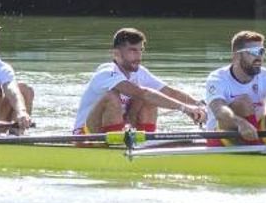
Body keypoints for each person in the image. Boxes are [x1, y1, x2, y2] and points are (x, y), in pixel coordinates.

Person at [73, 27, 206, 133]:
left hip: (118, 130)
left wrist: (200, 105)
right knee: (113, 96)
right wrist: (185, 108)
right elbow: (141, 92)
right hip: (86, 135)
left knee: (154, 95)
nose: (138, 56)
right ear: (116, 53)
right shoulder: (106, 74)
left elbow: (169, 92)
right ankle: (115, 146)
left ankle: (146, 141)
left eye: (140, 50)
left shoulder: (140, 72)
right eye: (132, 51)